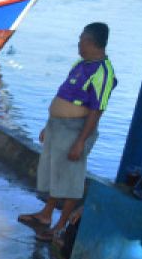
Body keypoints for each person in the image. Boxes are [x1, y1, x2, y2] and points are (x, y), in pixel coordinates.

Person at [18, 23, 116, 242]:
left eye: (81, 40)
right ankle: (45, 215)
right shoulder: (80, 64)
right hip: (57, 127)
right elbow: (64, 93)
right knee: (55, 172)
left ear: (91, 42)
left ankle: (60, 225)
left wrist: (81, 141)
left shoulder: (103, 72)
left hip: (77, 130)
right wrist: (48, 125)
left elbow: (96, 109)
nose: (78, 44)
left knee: (71, 178)